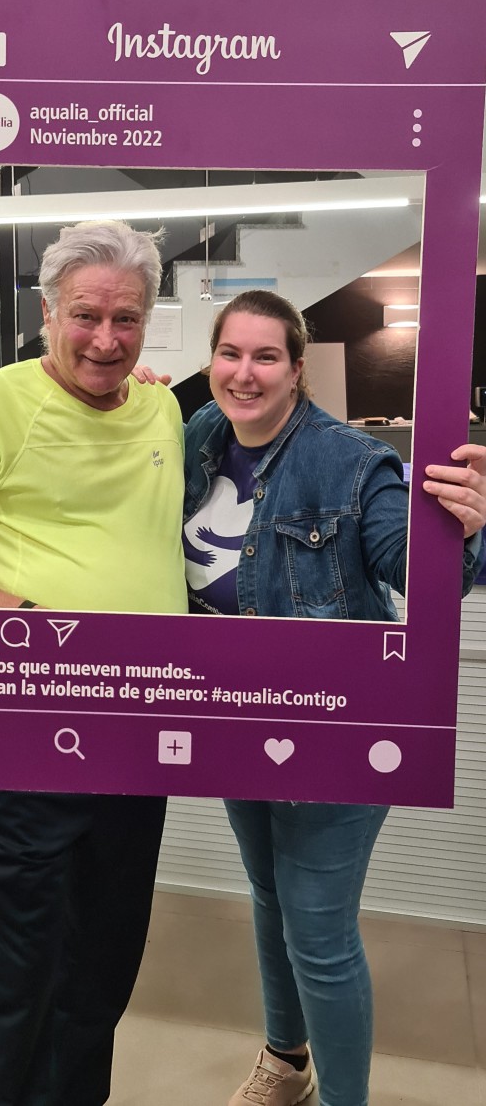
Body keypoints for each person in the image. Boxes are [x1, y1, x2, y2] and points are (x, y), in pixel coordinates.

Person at [0, 221, 187, 1106]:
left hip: (137, 736)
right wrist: (40, 631)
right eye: (86, 314)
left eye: (127, 318)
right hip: (22, 731)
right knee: (20, 974)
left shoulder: (163, 408)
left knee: (103, 969)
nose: (106, 338)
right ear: (47, 312)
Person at [182, 289, 486, 1106]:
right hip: (232, 717)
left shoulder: (351, 460)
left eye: (266, 356)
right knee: (269, 897)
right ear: (211, 360)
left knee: (317, 929)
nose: (245, 373)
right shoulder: (200, 436)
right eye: (230, 353)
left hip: (334, 728)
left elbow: (420, 566)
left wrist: (467, 527)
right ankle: (287, 1062)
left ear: (297, 367)